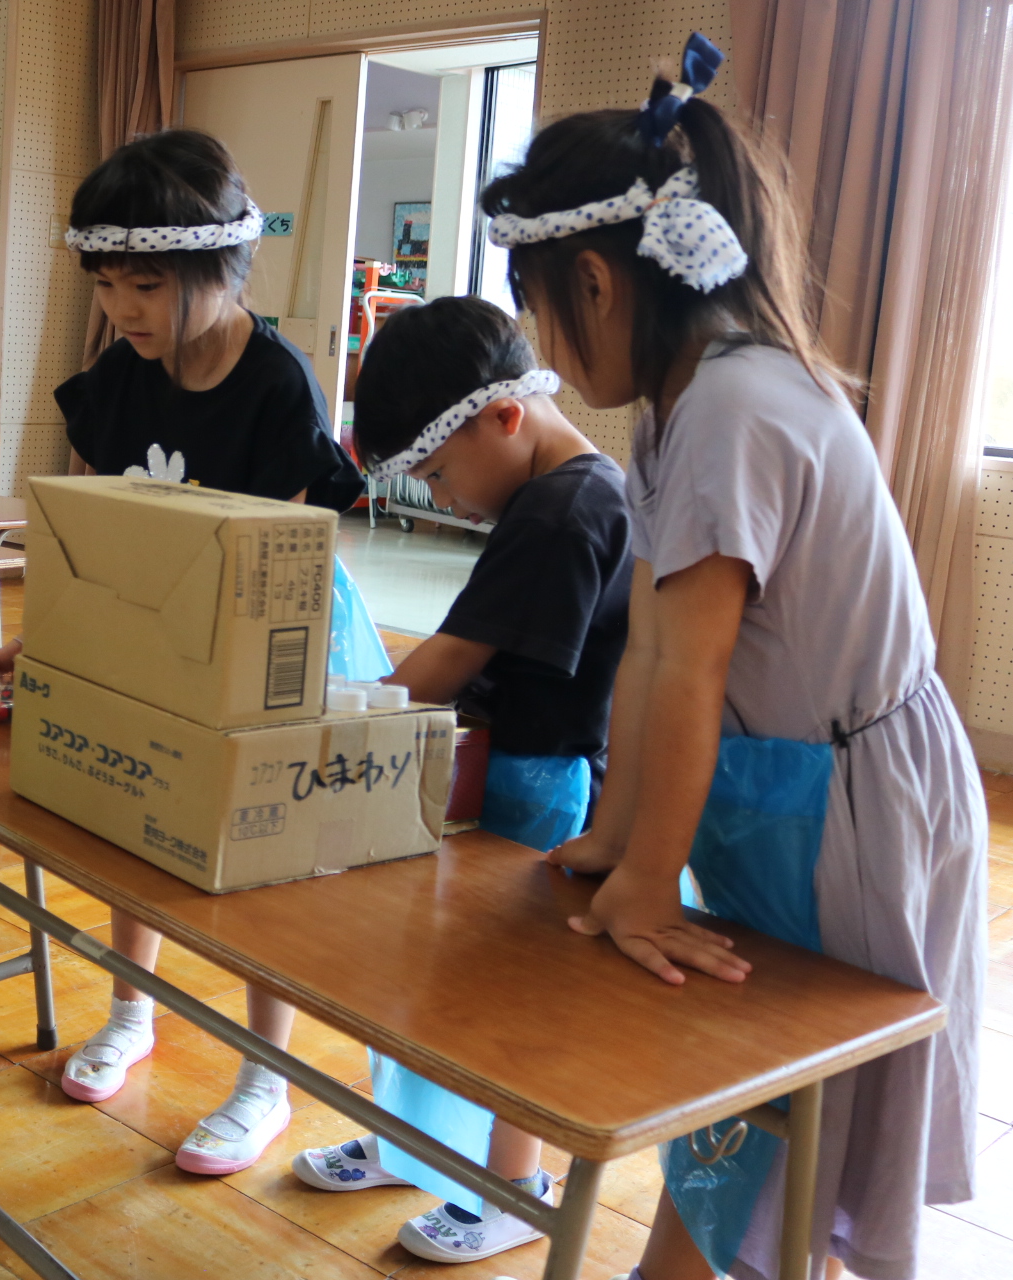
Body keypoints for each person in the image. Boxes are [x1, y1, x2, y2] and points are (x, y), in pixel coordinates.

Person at [490, 34, 984, 1280]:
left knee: (802, 1107)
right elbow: (650, 647)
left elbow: (690, 671)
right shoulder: (680, 408)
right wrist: (619, 837)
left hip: (857, 804)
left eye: (538, 307)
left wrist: (653, 878)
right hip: (791, 789)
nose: (546, 339)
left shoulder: (733, 409)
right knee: (741, 1101)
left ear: (595, 282)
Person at [0, 128, 361, 1179]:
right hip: (149, 635)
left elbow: (289, 560)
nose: (122, 309)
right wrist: (51, 640)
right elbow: (96, 534)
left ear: (223, 265)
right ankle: (131, 1010)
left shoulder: (279, 386)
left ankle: (265, 1074)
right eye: (105, 285)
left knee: (260, 857)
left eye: (144, 285)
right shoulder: (119, 377)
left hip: (261, 647)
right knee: (134, 816)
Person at [287, 295, 633, 1265]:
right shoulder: (555, 492)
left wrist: (332, 733)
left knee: (508, 989)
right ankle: (419, 1145)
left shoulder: (565, 510)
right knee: (441, 973)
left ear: (505, 417)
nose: (440, 497)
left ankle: (515, 1184)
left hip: (541, 779)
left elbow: (453, 654)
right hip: (502, 760)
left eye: (438, 474)